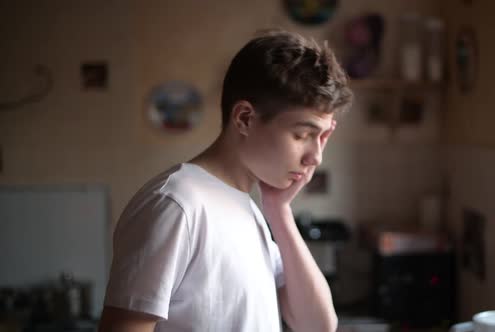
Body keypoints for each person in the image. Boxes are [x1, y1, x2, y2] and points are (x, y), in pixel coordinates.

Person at [98, 29, 353, 332]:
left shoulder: (249, 209)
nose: (316, 157)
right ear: (245, 118)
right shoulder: (176, 204)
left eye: (321, 138)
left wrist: (279, 213)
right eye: (302, 135)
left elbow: (318, 325)